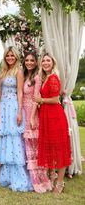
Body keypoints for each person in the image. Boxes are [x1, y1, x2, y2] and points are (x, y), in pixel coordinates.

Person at [34, 52, 71, 194]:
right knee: (51, 148)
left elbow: (55, 99)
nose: (45, 63)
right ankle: (52, 177)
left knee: (60, 150)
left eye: (48, 61)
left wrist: (40, 100)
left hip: (55, 116)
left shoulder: (54, 78)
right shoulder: (45, 78)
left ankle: (60, 183)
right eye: (43, 61)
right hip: (46, 116)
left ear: (52, 63)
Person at [0, 46, 32, 192]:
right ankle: (6, 176)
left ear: (16, 57)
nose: (10, 58)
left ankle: (19, 176)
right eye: (8, 55)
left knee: (14, 138)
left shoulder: (19, 71)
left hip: (13, 107)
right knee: (5, 138)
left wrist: (19, 112)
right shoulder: (3, 71)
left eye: (12, 55)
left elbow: (20, 93)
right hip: (3, 107)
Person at [22, 51, 51, 193]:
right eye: (27, 60)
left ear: (36, 62)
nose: (29, 63)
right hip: (23, 112)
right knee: (28, 149)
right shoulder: (24, 76)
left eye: (32, 60)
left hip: (32, 113)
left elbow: (35, 98)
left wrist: (32, 117)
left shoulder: (37, 77)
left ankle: (40, 180)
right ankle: (31, 177)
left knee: (35, 149)